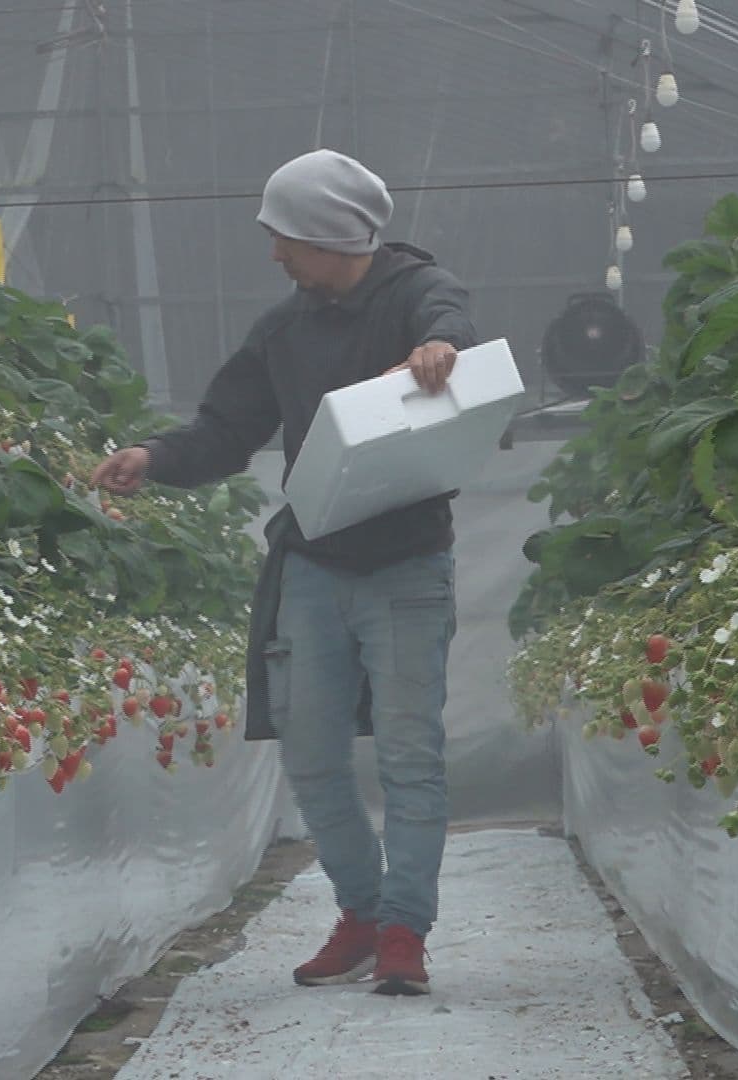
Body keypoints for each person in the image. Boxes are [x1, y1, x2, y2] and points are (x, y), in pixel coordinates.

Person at [91, 148, 474, 996]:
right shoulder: (284, 330)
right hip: (313, 560)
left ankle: (407, 930)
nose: (275, 255)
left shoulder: (415, 295)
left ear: (329, 235)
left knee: (412, 751)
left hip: (408, 560)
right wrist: (152, 456)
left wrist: (440, 346)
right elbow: (227, 430)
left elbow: (448, 307)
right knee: (309, 753)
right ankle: (365, 914)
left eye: (284, 238)